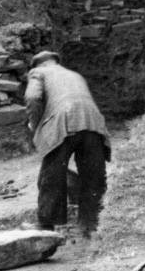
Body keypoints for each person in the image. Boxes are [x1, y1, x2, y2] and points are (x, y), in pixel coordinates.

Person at [24, 51, 110, 235]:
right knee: (93, 175)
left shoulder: (38, 73)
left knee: (52, 174)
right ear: (55, 61)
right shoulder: (74, 74)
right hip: (93, 122)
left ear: (37, 65)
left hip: (63, 122)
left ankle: (47, 224)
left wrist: (34, 124)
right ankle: (90, 224)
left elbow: (32, 98)